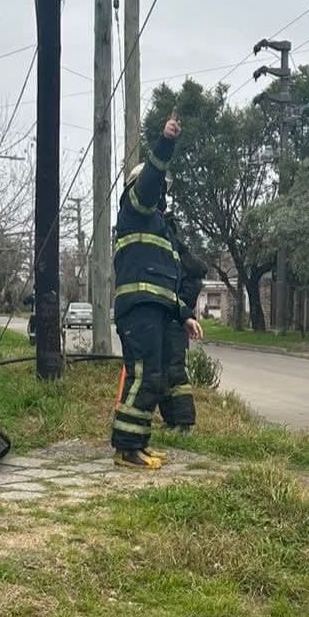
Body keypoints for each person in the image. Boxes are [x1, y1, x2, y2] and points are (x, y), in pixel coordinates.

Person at [110, 113, 195, 470]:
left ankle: (139, 444)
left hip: (155, 309)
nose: (161, 193)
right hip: (138, 309)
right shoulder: (134, 210)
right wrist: (165, 143)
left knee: (154, 379)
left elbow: (167, 281)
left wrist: (184, 315)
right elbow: (150, 180)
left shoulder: (161, 229)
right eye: (157, 187)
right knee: (143, 375)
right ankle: (126, 449)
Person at [158, 214, 205, 433]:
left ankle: (184, 423)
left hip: (175, 321)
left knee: (174, 371)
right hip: (167, 318)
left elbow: (194, 280)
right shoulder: (167, 251)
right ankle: (171, 420)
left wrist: (181, 307)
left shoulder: (177, 253)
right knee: (162, 371)